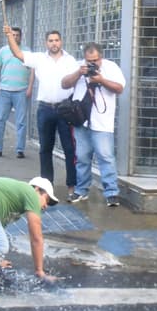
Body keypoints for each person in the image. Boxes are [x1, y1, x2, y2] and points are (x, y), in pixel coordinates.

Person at [3, 26, 78, 191]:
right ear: (46, 43)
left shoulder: (70, 60)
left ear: (61, 41)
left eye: (56, 40)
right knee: (45, 149)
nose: (54, 43)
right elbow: (18, 54)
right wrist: (9, 36)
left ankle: (72, 186)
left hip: (65, 110)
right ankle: (47, 187)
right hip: (45, 109)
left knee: (69, 149)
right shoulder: (39, 58)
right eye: (51, 41)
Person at [61, 42, 126, 206]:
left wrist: (102, 80)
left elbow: (119, 88)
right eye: (89, 60)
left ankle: (111, 192)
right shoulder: (78, 66)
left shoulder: (111, 67)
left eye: (95, 60)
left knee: (106, 157)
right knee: (82, 157)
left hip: (102, 122)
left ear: (101, 57)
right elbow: (64, 84)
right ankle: (81, 190)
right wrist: (78, 73)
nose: (92, 64)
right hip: (81, 121)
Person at [0, 26, 32, 159]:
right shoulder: (3, 51)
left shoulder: (27, 51)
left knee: (21, 121)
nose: (15, 37)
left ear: (21, 37)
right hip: (5, 91)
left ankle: (20, 149)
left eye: (17, 35)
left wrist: (30, 87)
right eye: (12, 35)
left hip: (21, 91)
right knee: (0, 120)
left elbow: (32, 71)